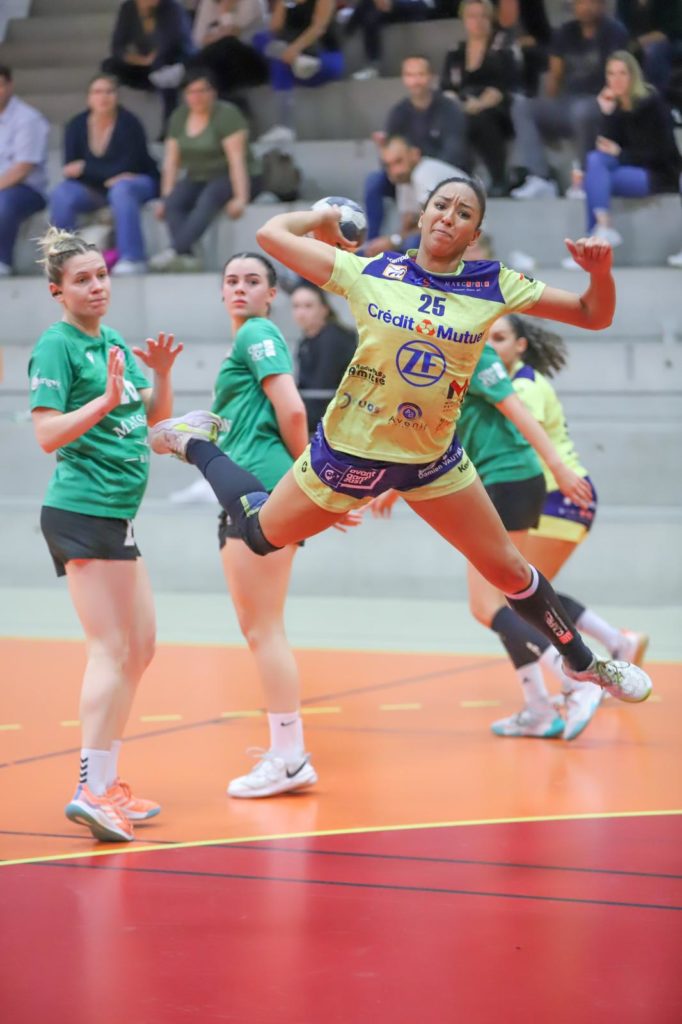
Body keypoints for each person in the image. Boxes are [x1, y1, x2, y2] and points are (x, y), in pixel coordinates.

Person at [148, 175, 653, 711]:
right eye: (441, 205)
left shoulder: (493, 283)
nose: (449, 217)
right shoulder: (372, 271)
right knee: (257, 535)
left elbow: (594, 314)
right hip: (347, 455)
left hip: (433, 461)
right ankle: (194, 443)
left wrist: (600, 273)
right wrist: (322, 219)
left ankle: (588, 665)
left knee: (508, 571)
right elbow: (271, 235)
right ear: (422, 214)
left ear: (474, 232)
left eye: (463, 213)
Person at [28, 227, 187, 842]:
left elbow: (152, 422)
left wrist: (162, 376)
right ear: (58, 291)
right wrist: (101, 401)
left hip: (116, 516)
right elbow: (47, 435)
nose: (96, 287)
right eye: (82, 280)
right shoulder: (56, 346)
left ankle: (108, 783)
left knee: (141, 647)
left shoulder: (113, 340)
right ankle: (89, 789)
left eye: (101, 275)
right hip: (81, 510)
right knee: (109, 649)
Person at [207, 251, 327, 796]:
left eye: (252, 280)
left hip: (260, 490)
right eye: (232, 280)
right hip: (257, 487)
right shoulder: (249, 339)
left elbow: (294, 410)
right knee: (259, 626)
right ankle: (288, 753)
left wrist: (308, 482)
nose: (240, 288)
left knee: (264, 629)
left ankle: (290, 756)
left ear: (271, 294)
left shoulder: (256, 333)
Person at [561, 50, 682, 266]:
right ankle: (603, 227)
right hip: (627, 169)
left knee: (593, 178)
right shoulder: (615, 107)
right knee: (595, 161)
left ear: (633, 76)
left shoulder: (653, 104)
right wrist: (607, 114)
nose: (616, 79)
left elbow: (661, 154)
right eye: (611, 73)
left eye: (622, 73)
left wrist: (620, 154)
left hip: (658, 174)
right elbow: (605, 148)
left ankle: (594, 244)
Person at [510, 0, 629, 199]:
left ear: (602, 5)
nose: (585, 7)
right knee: (523, 107)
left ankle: (585, 178)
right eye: (580, 2)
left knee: (582, 110)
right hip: (569, 103)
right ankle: (540, 178)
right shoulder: (565, 32)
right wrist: (549, 109)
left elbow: (619, 76)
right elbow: (555, 75)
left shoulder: (614, 31)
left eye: (591, 2)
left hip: (601, 102)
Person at [150, 68, 261, 272]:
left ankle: (175, 250)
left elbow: (237, 160)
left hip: (234, 175)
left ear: (213, 92)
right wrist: (165, 198)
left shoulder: (227, 115)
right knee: (174, 203)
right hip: (198, 176)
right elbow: (171, 162)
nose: (197, 96)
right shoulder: (179, 117)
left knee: (209, 197)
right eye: (191, 92)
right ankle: (188, 256)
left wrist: (240, 198)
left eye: (202, 90)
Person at [49, 75, 160, 276]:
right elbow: (70, 169)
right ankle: (65, 261)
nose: (104, 97)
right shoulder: (76, 125)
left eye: (109, 91)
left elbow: (130, 166)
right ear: (89, 98)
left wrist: (87, 168)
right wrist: (105, 172)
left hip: (138, 181)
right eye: (97, 92)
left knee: (121, 189)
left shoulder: (130, 123)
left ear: (117, 96)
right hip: (95, 189)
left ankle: (133, 258)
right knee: (62, 194)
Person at [364, 55, 469, 246]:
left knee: (413, 241)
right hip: (411, 173)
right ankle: (371, 244)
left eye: (420, 74)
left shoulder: (449, 109)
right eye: (410, 75)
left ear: (431, 77)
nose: (416, 81)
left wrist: (395, 239)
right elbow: (391, 155)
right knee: (375, 181)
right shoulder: (398, 113)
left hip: (440, 181)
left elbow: (455, 151)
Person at [440, 0, 517, 196]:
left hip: (496, 106)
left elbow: (504, 86)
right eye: (472, 16)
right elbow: (447, 87)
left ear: (491, 19)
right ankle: (454, 179)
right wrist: (457, 103)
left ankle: (499, 178)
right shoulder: (455, 52)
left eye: (483, 16)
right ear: (464, 20)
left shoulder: (501, 48)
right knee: (450, 117)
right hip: (463, 105)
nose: (478, 21)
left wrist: (480, 103)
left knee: (479, 118)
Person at [252, 0, 345, 145]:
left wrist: (294, 49)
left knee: (281, 60)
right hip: (295, 60)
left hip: (323, 56)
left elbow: (319, 27)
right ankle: (297, 61)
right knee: (259, 39)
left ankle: (285, 126)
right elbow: (274, 28)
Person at [102, 0, 196, 131]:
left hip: (174, 62)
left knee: (163, 68)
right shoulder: (128, 8)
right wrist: (139, 60)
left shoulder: (172, 8)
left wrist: (149, 17)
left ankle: (169, 126)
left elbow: (172, 43)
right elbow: (117, 47)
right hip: (146, 64)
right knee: (109, 65)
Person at [364, 133, 464, 255]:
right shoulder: (404, 179)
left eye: (399, 161)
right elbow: (408, 222)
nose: (395, 171)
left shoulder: (423, 174)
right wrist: (389, 242)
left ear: (415, 154)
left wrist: (393, 240)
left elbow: (436, 223)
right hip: (451, 228)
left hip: (467, 231)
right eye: (388, 165)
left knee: (413, 243)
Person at [0, 64, 49, 277]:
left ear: (10, 85)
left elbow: (22, 169)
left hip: (27, 191)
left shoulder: (27, 118)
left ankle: (2, 261)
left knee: (4, 201)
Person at [291, 282, 358, 433]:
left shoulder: (333, 338)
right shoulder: (307, 340)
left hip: (336, 422)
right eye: (296, 306)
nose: (301, 313)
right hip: (320, 418)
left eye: (308, 306)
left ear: (324, 309)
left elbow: (321, 388)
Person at [189, 0, 269, 99]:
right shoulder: (209, 2)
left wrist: (224, 11)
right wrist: (220, 35)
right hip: (219, 57)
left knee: (226, 46)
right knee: (209, 56)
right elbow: (198, 39)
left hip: (251, 59)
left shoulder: (252, 2)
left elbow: (232, 35)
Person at [345, 0, 436, 82]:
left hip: (419, 5)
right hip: (393, 7)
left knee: (371, 11)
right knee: (369, 12)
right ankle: (348, 33)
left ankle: (347, 33)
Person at [616, 0, 682, 92]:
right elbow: (619, 25)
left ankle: (654, 94)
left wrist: (638, 43)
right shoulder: (624, 2)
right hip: (633, 41)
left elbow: (671, 30)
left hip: (669, 41)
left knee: (654, 51)